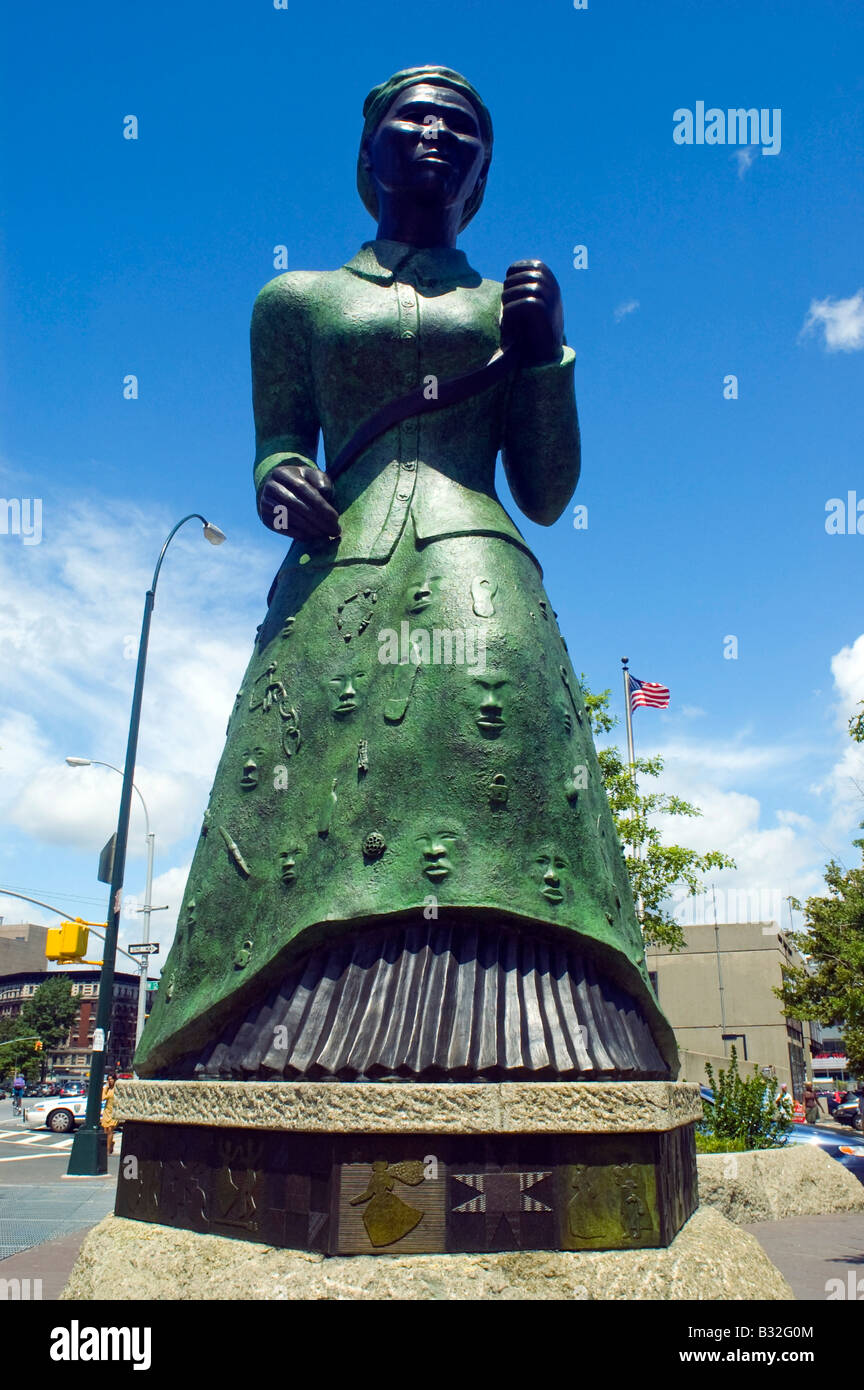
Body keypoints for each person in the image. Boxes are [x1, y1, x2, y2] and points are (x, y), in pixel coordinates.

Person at [134, 64, 678, 1085]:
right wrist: (276, 475)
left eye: (461, 126)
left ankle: (536, 1035)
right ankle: (280, 1037)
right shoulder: (298, 299)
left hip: (482, 576)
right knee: (299, 809)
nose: (435, 132)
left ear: (479, 171)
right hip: (336, 573)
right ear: (369, 149)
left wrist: (548, 357)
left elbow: (548, 489)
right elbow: (279, 442)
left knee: (500, 806)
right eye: (412, 117)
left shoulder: (503, 301)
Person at [100, 1073, 117, 1155]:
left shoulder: (116, 1089)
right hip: (107, 1111)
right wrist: (105, 1087)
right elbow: (103, 1098)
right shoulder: (107, 1089)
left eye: (111, 1079)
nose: (110, 1081)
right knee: (105, 1130)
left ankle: (108, 1149)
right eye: (109, 1079)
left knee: (110, 1130)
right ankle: (110, 1143)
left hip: (114, 1111)